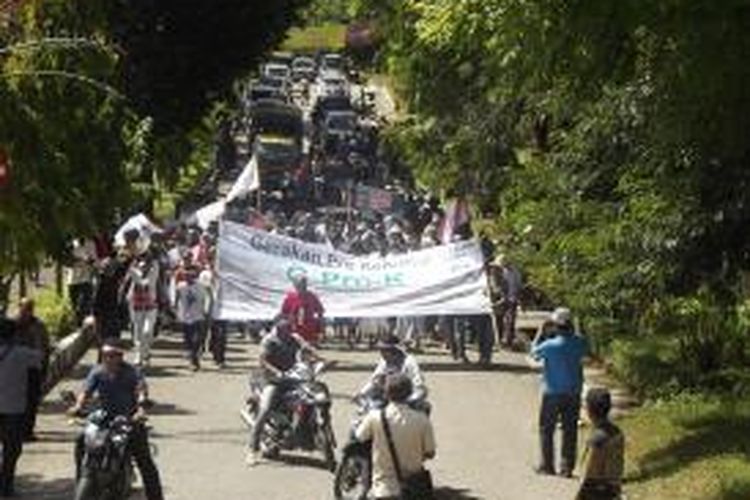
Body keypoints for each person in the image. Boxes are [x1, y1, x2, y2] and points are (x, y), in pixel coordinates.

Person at [68, 338, 163, 500]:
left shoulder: (132, 372)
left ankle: (156, 496)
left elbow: (140, 391)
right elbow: (86, 391)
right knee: (80, 441)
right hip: (103, 420)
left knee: (145, 462)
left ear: (121, 356)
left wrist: (140, 409)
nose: (108, 359)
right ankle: (82, 477)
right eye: (105, 355)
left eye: (112, 355)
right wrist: (77, 406)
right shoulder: (97, 372)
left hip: (129, 420)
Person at [246, 316, 325, 466]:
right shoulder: (269, 340)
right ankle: (252, 449)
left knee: (311, 397)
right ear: (277, 327)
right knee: (265, 410)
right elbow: (262, 360)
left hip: (292, 379)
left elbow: (307, 348)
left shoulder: (294, 338)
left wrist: (321, 359)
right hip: (272, 381)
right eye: (284, 329)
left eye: (289, 328)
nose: (288, 332)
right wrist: (276, 372)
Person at [355, 374, 436, 500]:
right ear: (409, 393)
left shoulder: (375, 417)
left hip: (384, 489)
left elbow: (359, 437)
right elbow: (430, 453)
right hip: (413, 488)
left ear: (386, 394)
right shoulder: (422, 419)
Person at [531, 307, 588, 477]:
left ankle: (547, 465)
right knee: (570, 430)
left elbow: (533, 352)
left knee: (546, 429)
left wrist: (540, 332)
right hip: (573, 392)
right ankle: (566, 467)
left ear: (555, 326)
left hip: (552, 392)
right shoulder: (579, 343)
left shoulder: (549, 345)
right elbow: (585, 346)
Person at [0, 318, 41, 497]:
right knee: (12, 449)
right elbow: (41, 356)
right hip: (13, 409)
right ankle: (6, 486)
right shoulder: (22, 354)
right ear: (15, 335)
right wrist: (33, 336)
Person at [576, 388, 625, 500]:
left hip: (595, 491)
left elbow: (588, 472)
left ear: (589, 411)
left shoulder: (596, 440)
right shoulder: (617, 432)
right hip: (614, 487)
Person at [15, 298, 50, 441]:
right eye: (24, 308)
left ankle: (28, 431)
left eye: (29, 308)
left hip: (34, 368)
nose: (26, 312)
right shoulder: (12, 325)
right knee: (17, 401)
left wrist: (44, 369)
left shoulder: (39, 326)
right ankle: (16, 430)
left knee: (32, 401)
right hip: (16, 369)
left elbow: (45, 348)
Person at [359, 336, 427, 404]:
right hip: (387, 396)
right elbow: (374, 380)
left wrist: (410, 400)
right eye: (381, 350)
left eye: (385, 350)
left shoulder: (409, 361)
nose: (382, 353)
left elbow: (418, 384)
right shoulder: (384, 361)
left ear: (394, 350)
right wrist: (362, 393)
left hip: (407, 396)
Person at [123, 255, 160, 367]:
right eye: (141, 267)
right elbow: (130, 269)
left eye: (145, 266)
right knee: (137, 333)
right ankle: (139, 355)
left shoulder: (153, 275)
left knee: (147, 331)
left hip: (150, 307)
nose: (143, 268)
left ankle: (146, 352)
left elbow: (155, 266)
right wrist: (132, 259)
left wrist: (149, 258)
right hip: (136, 306)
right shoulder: (135, 275)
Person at [174, 268, 209, 371]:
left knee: (197, 340)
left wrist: (206, 310)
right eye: (186, 274)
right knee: (188, 340)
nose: (188, 276)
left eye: (191, 274)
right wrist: (175, 309)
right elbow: (177, 298)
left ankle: (194, 359)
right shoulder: (181, 286)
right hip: (186, 317)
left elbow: (207, 298)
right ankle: (193, 358)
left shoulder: (201, 286)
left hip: (198, 316)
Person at [280, 275, 325, 344]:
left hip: (309, 328)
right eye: (300, 284)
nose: (302, 286)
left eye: (304, 284)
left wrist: (320, 328)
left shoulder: (311, 296)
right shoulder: (290, 297)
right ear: (295, 285)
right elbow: (284, 313)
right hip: (294, 329)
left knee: (308, 350)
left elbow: (320, 312)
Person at [491, 254, 523, 349]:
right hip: (502, 299)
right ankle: (500, 339)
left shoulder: (515, 272)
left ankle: (508, 341)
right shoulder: (498, 272)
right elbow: (496, 286)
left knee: (510, 321)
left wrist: (517, 297)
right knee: (499, 319)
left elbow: (518, 286)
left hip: (511, 299)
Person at [67, 238, 97, 325]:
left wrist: (89, 261)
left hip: (85, 279)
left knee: (83, 306)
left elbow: (94, 261)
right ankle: (78, 326)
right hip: (72, 280)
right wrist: (79, 259)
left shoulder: (91, 244)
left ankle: (85, 326)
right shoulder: (72, 244)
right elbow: (68, 262)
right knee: (75, 307)